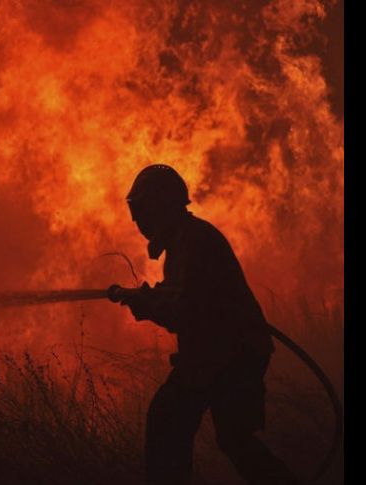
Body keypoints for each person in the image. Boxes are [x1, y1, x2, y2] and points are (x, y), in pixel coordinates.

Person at [119, 164, 304, 485]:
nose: (138, 221)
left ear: (163, 206)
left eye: (143, 210)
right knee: (230, 440)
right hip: (222, 354)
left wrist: (145, 302)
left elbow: (185, 307)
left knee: (175, 421)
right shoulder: (186, 240)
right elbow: (184, 295)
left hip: (231, 356)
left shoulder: (194, 241)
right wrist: (148, 298)